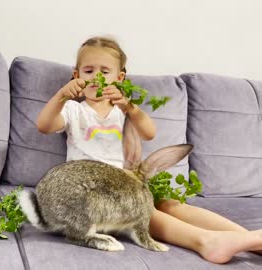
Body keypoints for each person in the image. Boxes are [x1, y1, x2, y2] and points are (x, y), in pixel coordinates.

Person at [36, 36, 262, 264]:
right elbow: (44, 125)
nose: (96, 76)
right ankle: (206, 241)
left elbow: (149, 132)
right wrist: (61, 96)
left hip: (124, 184)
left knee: (170, 205)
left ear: (119, 78)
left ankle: (250, 239)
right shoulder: (74, 110)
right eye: (88, 70)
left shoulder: (122, 111)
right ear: (76, 76)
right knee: (143, 210)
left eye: (105, 72)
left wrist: (128, 106)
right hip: (93, 193)